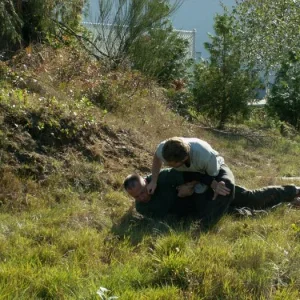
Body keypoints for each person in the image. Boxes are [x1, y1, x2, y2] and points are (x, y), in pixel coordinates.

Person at [124, 169, 300, 227]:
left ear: (146, 181)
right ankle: (290, 204)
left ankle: (294, 191)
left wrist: (191, 186)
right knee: (245, 215)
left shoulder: (162, 177)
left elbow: (195, 173)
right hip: (205, 208)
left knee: (251, 198)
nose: (142, 197)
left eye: (143, 191)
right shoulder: (143, 208)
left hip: (211, 189)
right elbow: (168, 221)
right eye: (136, 196)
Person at [147, 137, 235, 221]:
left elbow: (210, 176)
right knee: (198, 205)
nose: (168, 165)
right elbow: (157, 157)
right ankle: (234, 211)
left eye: (172, 164)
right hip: (190, 175)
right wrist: (153, 181)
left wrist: (194, 184)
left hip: (213, 169)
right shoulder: (163, 149)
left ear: (184, 159)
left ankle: (207, 225)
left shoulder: (204, 155)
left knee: (226, 187)